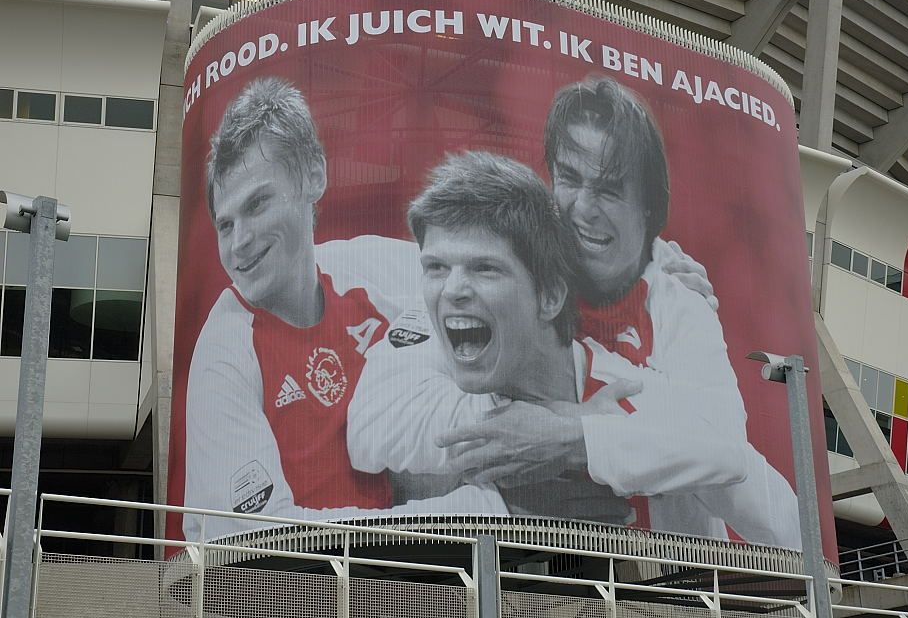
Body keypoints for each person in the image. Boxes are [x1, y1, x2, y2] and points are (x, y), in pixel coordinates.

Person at [449, 76, 801, 546]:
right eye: (570, 179)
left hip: (665, 585)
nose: (584, 209)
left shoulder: (677, 297)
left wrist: (572, 436)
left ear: (649, 207)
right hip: (537, 572)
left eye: (610, 190)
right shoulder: (517, 271)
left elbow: (726, 455)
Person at [349, 152, 750, 529]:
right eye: (435, 266)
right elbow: (370, 432)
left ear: (551, 295)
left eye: (485, 268)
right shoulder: (429, 318)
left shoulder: (643, 350)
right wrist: (561, 432)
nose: (453, 287)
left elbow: (731, 459)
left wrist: (574, 441)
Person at [182, 77, 503, 541]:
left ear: (314, 176)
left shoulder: (375, 271)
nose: (239, 243)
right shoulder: (225, 349)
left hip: (399, 579)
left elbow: (501, 307)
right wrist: (475, 511)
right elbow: (254, 542)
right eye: (225, 224)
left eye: (257, 204)